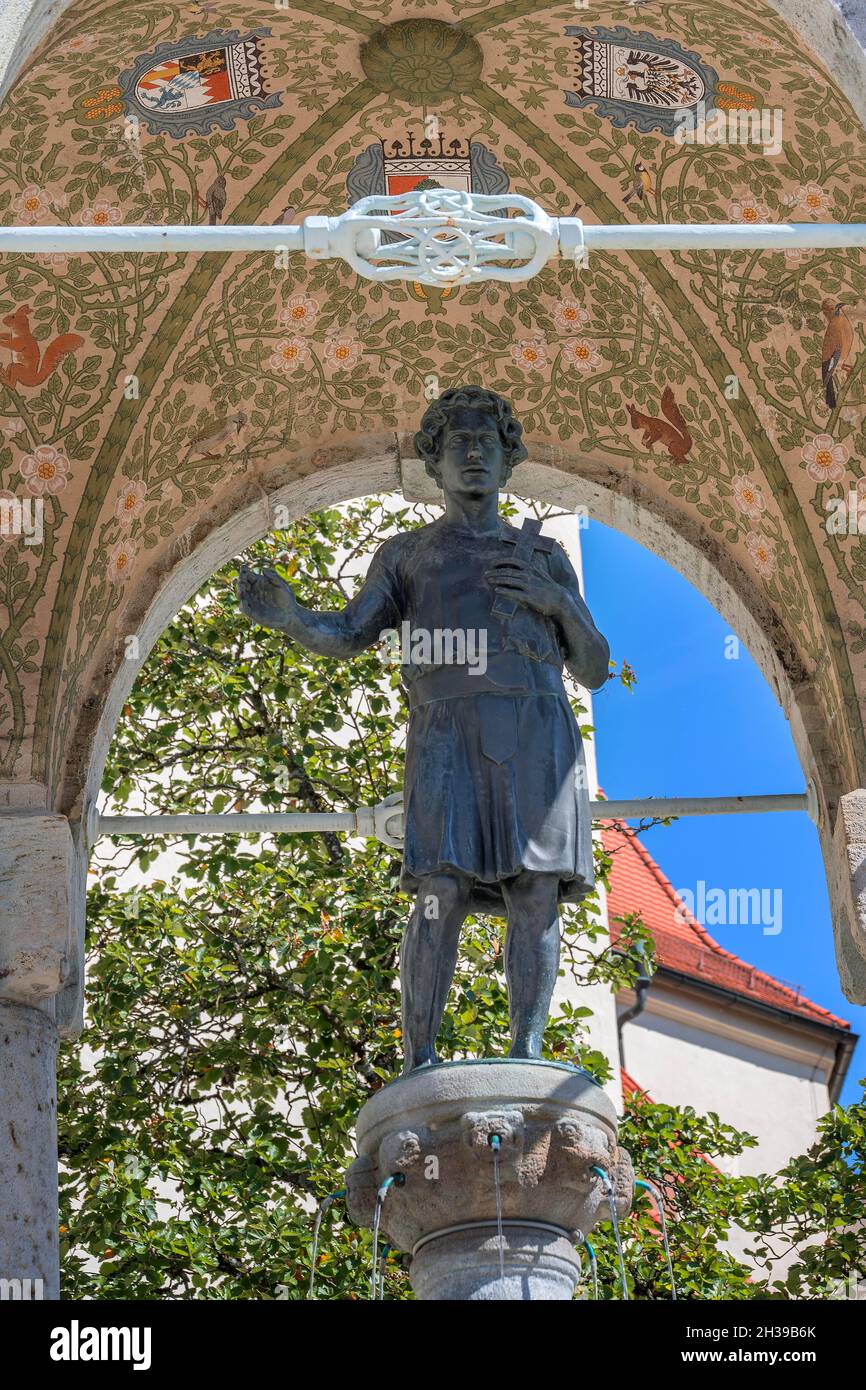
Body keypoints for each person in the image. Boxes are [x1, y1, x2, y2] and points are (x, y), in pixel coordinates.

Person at [238, 385, 610, 1071]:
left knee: (536, 889)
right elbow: (351, 632)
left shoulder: (545, 555)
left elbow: (594, 668)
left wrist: (557, 602)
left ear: (508, 461)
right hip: (445, 726)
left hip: (535, 725)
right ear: (433, 466)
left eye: (487, 444)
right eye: (457, 446)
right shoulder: (407, 553)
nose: (473, 456)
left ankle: (526, 1050)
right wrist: (292, 617)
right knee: (438, 888)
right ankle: (420, 1057)